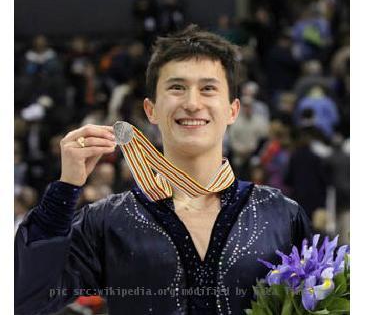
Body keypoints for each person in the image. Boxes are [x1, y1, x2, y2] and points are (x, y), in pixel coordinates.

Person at [15, 25, 311, 315]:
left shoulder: (282, 215)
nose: (193, 103)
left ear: (232, 110)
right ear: (150, 110)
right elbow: (27, 299)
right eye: (177, 88)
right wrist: (65, 189)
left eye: (208, 88)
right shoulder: (108, 221)